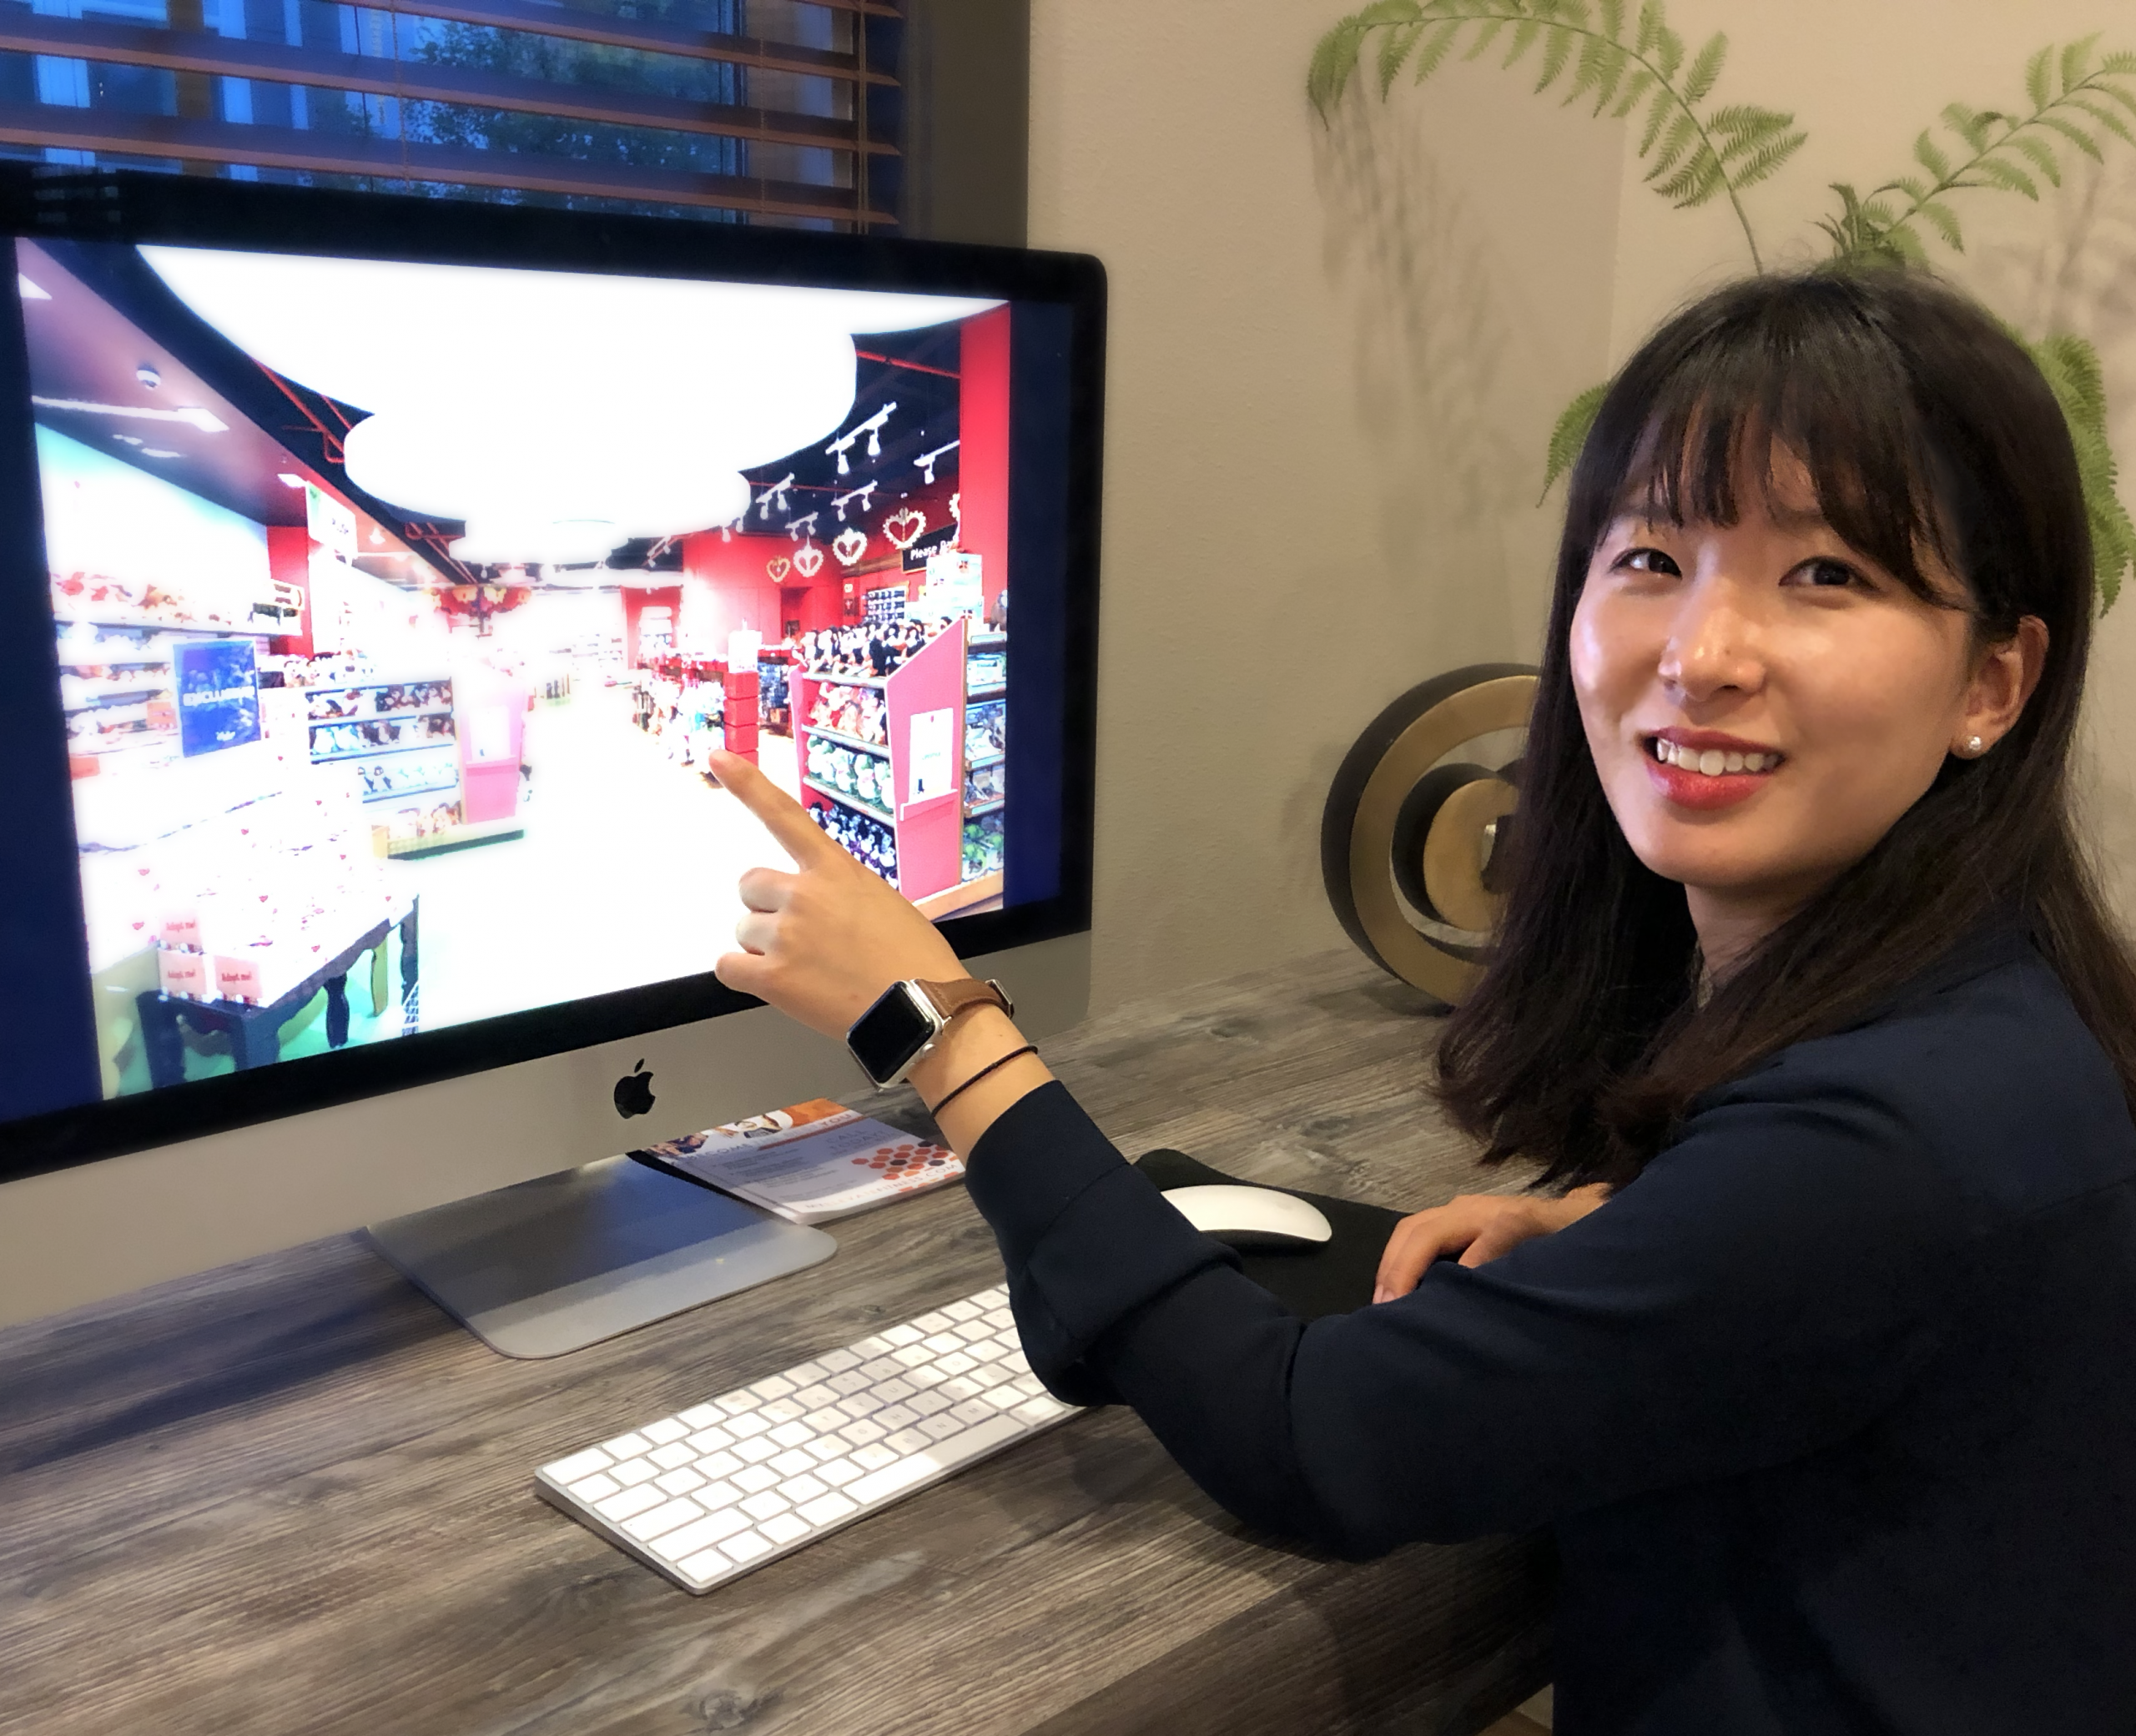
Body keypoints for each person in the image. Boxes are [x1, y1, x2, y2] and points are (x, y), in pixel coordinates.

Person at [706, 269, 2136, 1735]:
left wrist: (932, 1020)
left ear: (1996, 682)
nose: (1703, 656)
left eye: (1827, 574)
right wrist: (1641, 1231)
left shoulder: (1883, 1144)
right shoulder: (1998, 1014)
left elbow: (1306, 1439)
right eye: (1650, 555)